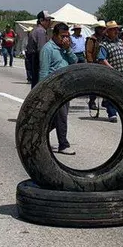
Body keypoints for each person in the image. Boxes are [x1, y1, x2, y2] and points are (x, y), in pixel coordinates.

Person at [40, 22, 77, 154]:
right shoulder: (48, 49)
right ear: (55, 35)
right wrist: (41, 91)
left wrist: (68, 49)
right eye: (62, 36)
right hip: (54, 88)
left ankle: (38, 136)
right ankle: (63, 144)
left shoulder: (64, 48)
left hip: (66, 88)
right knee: (61, 117)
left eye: (67, 36)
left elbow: (75, 62)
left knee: (58, 118)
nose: (65, 39)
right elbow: (44, 71)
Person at [97, 21, 123, 122]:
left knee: (120, 92)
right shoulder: (104, 45)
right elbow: (102, 59)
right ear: (108, 32)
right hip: (110, 72)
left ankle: (109, 104)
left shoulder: (120, 42)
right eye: (113, 30)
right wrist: (111, 68)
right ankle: (112, 113)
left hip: (121, 71)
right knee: (111, 92)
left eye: (116, 29)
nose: (116, 31)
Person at [24, 11, 49, 87]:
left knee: (35, 81)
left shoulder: (36, 30)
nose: (49, 22)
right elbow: (42, 49)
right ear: (41, 20)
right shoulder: (41, 31)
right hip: (37, 58)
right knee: (39, 82)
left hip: (33, 57)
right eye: (47, 20)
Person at [85, 23, 105, 117]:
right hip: (95, 62)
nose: (102, 30)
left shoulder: (104, 39)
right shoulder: (92, 39)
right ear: (97, 29)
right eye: (100, 28)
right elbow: (88, 52)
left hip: (103, 63)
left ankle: (105, 101)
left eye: (103, 28)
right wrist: (91, 63)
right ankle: (92, 101)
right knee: (94, 84)